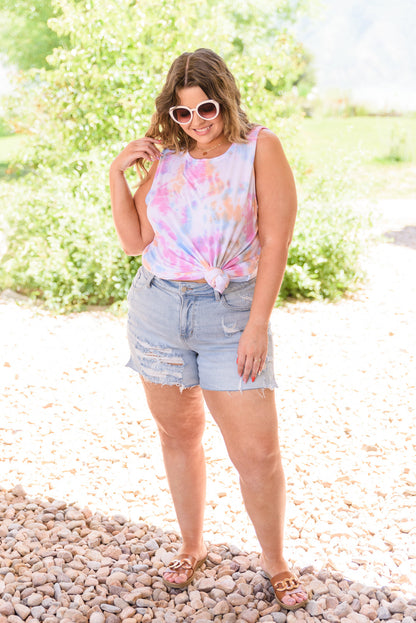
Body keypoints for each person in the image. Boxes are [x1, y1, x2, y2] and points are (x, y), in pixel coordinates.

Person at [109, 48, 308, 610]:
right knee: (178, 436)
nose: (196, 123)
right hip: (159, 311)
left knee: (258, 453)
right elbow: (133, 242)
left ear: (227, 99)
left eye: (207, 109)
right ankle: (192, 546)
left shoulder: (258, 149)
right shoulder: (169, 157)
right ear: (171, 115)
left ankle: (277, 563)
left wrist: (256, 327)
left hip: (231, 315)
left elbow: (276, 244)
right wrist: (116, 174)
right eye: (183, 113)